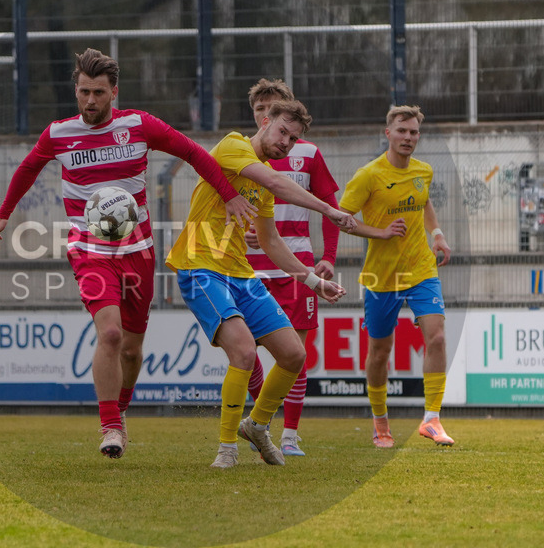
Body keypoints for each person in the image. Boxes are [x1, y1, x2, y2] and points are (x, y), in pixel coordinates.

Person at [0, 48, 257, 460]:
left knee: (131, 350)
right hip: (89, 249)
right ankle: (110, 425)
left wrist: (229, 195)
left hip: (138, 252)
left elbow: (192, 152)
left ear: (114, 91)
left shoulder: (138, 126)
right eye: (83, 92)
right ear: (75, 91)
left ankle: (122, 409)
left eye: (98, 92)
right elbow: (27, 169)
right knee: (110, 334)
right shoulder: (58, 134)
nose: (90, 100)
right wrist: (4, 215)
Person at [166, 100, 398, 468]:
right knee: (244, 351)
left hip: (240, 273)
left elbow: (271, 242)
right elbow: (275, 181)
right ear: (264, 121)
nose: (286, 142)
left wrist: (313, 281)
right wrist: (329, 209)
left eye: (293, 139)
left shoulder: (264, 183)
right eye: (282, 132)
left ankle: (257, 426)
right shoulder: (234, 146)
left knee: (294, 354)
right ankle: (227, 448)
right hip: (199, 267)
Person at [338, 105, 454, 448]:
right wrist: (381, 232)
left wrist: (437, 234)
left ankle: (431, 419)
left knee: (437, 338)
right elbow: (341, 217)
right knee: (379, 351)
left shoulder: (423, 171)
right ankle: (380, 422)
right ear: (388, 133)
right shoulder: (368, 175)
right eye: (402, 131)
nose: (408, 137)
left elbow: (423, 201)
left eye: (414, 132)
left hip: (421, 269)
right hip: (381, 276)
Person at [241, 79, 340, 457]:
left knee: (296, 353)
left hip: (296, 266)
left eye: (273, 108)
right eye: (259, 110)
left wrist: (329, 256)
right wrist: (241, 233)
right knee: (245, 352)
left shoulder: (308, 153)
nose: (265, 115)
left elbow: (331, 207)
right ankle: (260, 424)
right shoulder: (240, 153)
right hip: (250, 269)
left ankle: (290, 435)